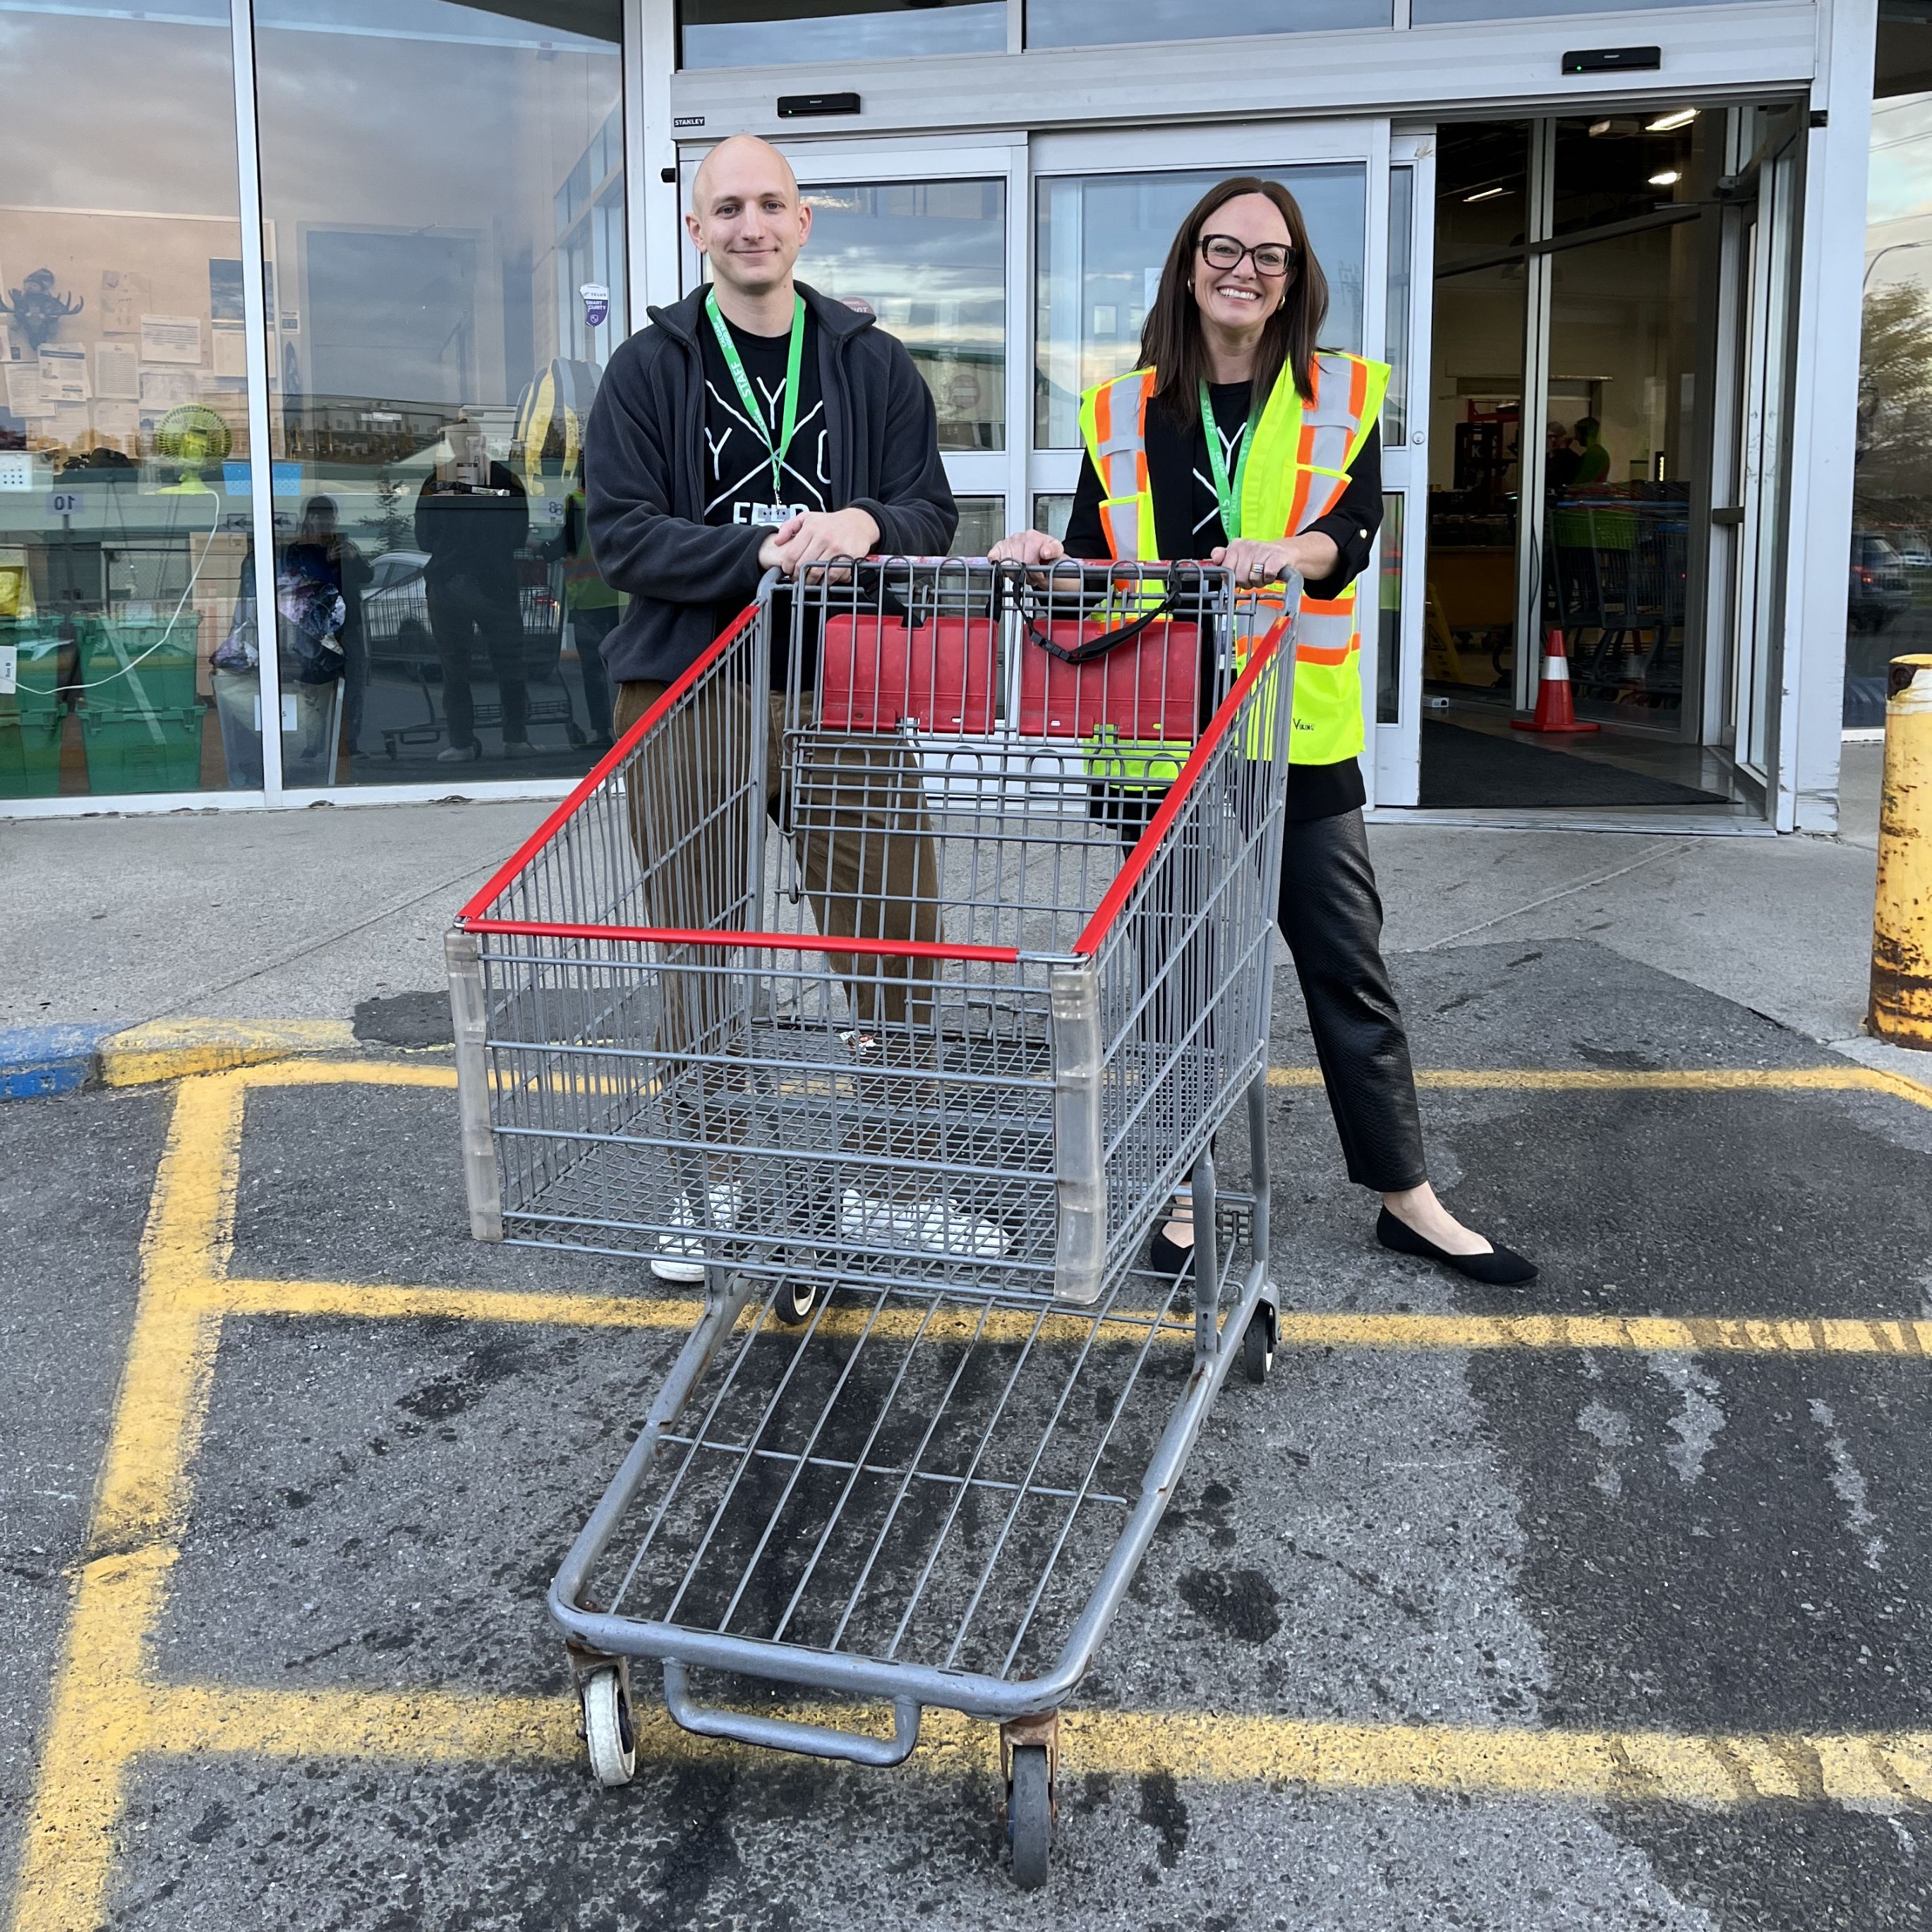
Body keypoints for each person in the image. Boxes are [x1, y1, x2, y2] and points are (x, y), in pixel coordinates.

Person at [991, 175, 1535, 1286]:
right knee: (1180, 978)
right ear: (1189, 264)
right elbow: (1097, 559)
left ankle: (1404, 1195)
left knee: (1344, 962)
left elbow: (1355, 529)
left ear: (1293, 281)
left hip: (1293, 735)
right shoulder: (1118, 410)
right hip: (1153, 741)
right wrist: (1048, 560)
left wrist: (1292, 552)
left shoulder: (1339, 396)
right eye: (1223, 248)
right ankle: (1191, 1199)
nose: (1243, 270)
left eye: (1268, 256)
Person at [584, 131, 999, 1280]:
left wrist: (862, 528)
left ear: (804, 221)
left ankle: (893, 1186)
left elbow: (928, 511)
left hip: (843, 688)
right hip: (688, 689)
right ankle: (708, 1191)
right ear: (696, 229)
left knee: (895, 943)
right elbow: (619, 537)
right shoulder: (648, 367)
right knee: (699, 952)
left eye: (770, 204)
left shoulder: (868, 361)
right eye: (728, 208)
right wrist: (759, 552)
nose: (750, 224)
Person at [415, 421, 533, 761]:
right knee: (510, 664)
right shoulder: (506, 480)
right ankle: (515, 739)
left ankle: (461, 743)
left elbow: (424, 539)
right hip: (496, 582)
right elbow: (517, 532)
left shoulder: (436, 482)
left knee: (455, 669)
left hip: (449, 584)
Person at [1571, 416, 1610, 487]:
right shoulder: (1598, 452)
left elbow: (1581, 483)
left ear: (1585, 434)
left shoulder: (1595, 454)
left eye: (1577, 434)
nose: (1576, 438)